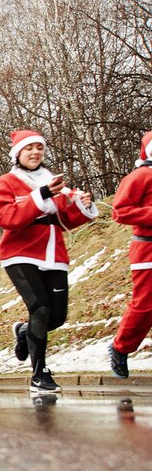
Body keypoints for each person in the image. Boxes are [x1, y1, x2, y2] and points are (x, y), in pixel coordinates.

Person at [0, 129, 97, 393]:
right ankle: (39, 375)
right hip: (20, 253)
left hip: (54, 253)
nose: (35, 152)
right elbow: (4, 217)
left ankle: (25, 332)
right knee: (40, 310)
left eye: (39, 147)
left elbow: (66, 220)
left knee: (58, 316)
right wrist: (41, 196)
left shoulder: (53, 180)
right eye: (29, 148)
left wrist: (82, 205)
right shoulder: (8, 182)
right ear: (18, 154)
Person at [109, 132, 152, 379]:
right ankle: (120, 348)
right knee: (145, 306)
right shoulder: (140, 176)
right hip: (147, 249)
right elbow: (120, 211)